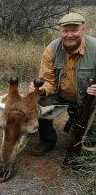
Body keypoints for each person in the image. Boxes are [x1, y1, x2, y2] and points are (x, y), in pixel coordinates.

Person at [29, 12, 96, 158]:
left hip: (88, 100)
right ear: (60, 32)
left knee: (87, 138)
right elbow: (48, 81)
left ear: (82, 30)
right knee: (40, 102)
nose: (69, 35)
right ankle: (48, 140)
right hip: (60, 94)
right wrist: (41, 90)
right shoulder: (52, 49)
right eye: (65, 31)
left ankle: (85, 138)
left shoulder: (95, 47)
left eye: (74, 30)